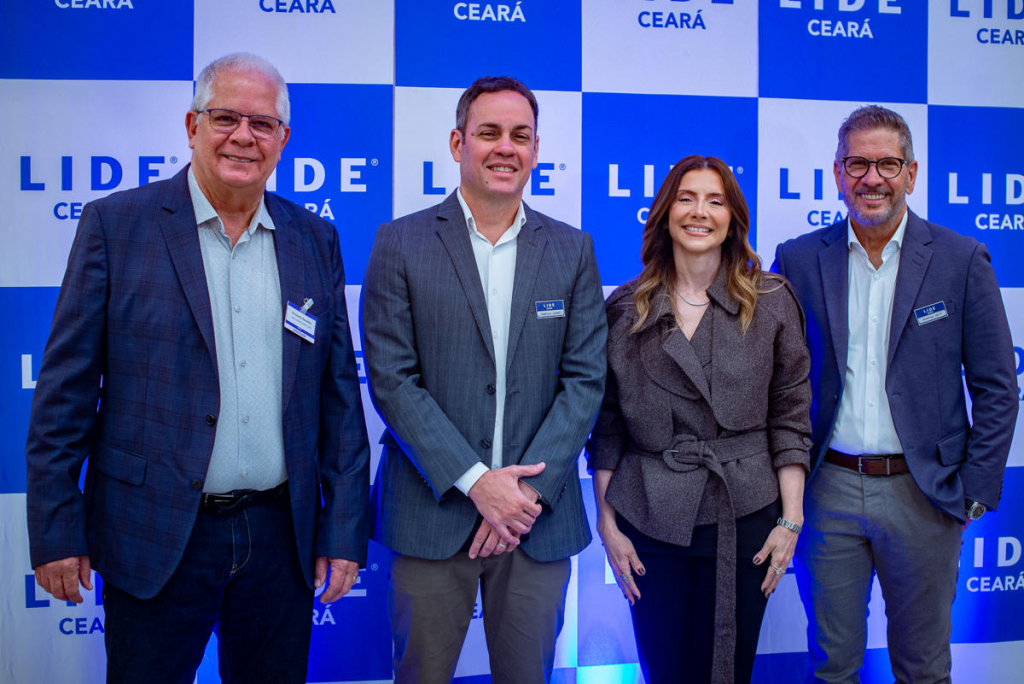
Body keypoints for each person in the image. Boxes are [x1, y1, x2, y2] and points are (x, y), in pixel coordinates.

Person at [25, 53, 370, 684]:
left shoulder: (313, 239)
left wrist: (344, 531)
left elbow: (339, 400)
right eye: (226, 118)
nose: (244, 136)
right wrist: (54, 531)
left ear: (283, 140)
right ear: (192, 126)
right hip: (153, 534)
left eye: (262, 124)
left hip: (279, 538)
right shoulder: (116, 225)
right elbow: (63, 395)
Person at [361, 76, 607, 684]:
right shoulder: (400, 242)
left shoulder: (572, 249)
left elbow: (584, 380)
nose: (506, 147)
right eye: (489, 132)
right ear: (457, 141)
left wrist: (519, 498)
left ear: (536, 148)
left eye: (520, 135)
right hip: (431, 512)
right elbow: (392, 379)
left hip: (536, 521)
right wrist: (476, 483)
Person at [773, 105, 1017, 684]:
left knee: (923, 668)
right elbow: (775, 381)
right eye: (858, 163)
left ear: (912, 173)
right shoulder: (799, 259)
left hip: (925, 496)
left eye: (887, 163)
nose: (872, 177)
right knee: (832, 666)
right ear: (837, 173)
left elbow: (998, 387)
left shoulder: (960, 260)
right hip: (826, 491)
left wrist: (973, 494)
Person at [587, 155, 813, 684]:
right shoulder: (626, 309)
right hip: (648, 515)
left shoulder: (773, 301)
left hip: (748, 512)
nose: (700, 212)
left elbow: (791, 416)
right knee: (664, 670)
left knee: (727, 671)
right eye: (687, 198)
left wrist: (791, 520)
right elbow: (609, 426)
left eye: (715, 201)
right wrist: (607, 522)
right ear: (665, 212)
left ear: (733, 217)